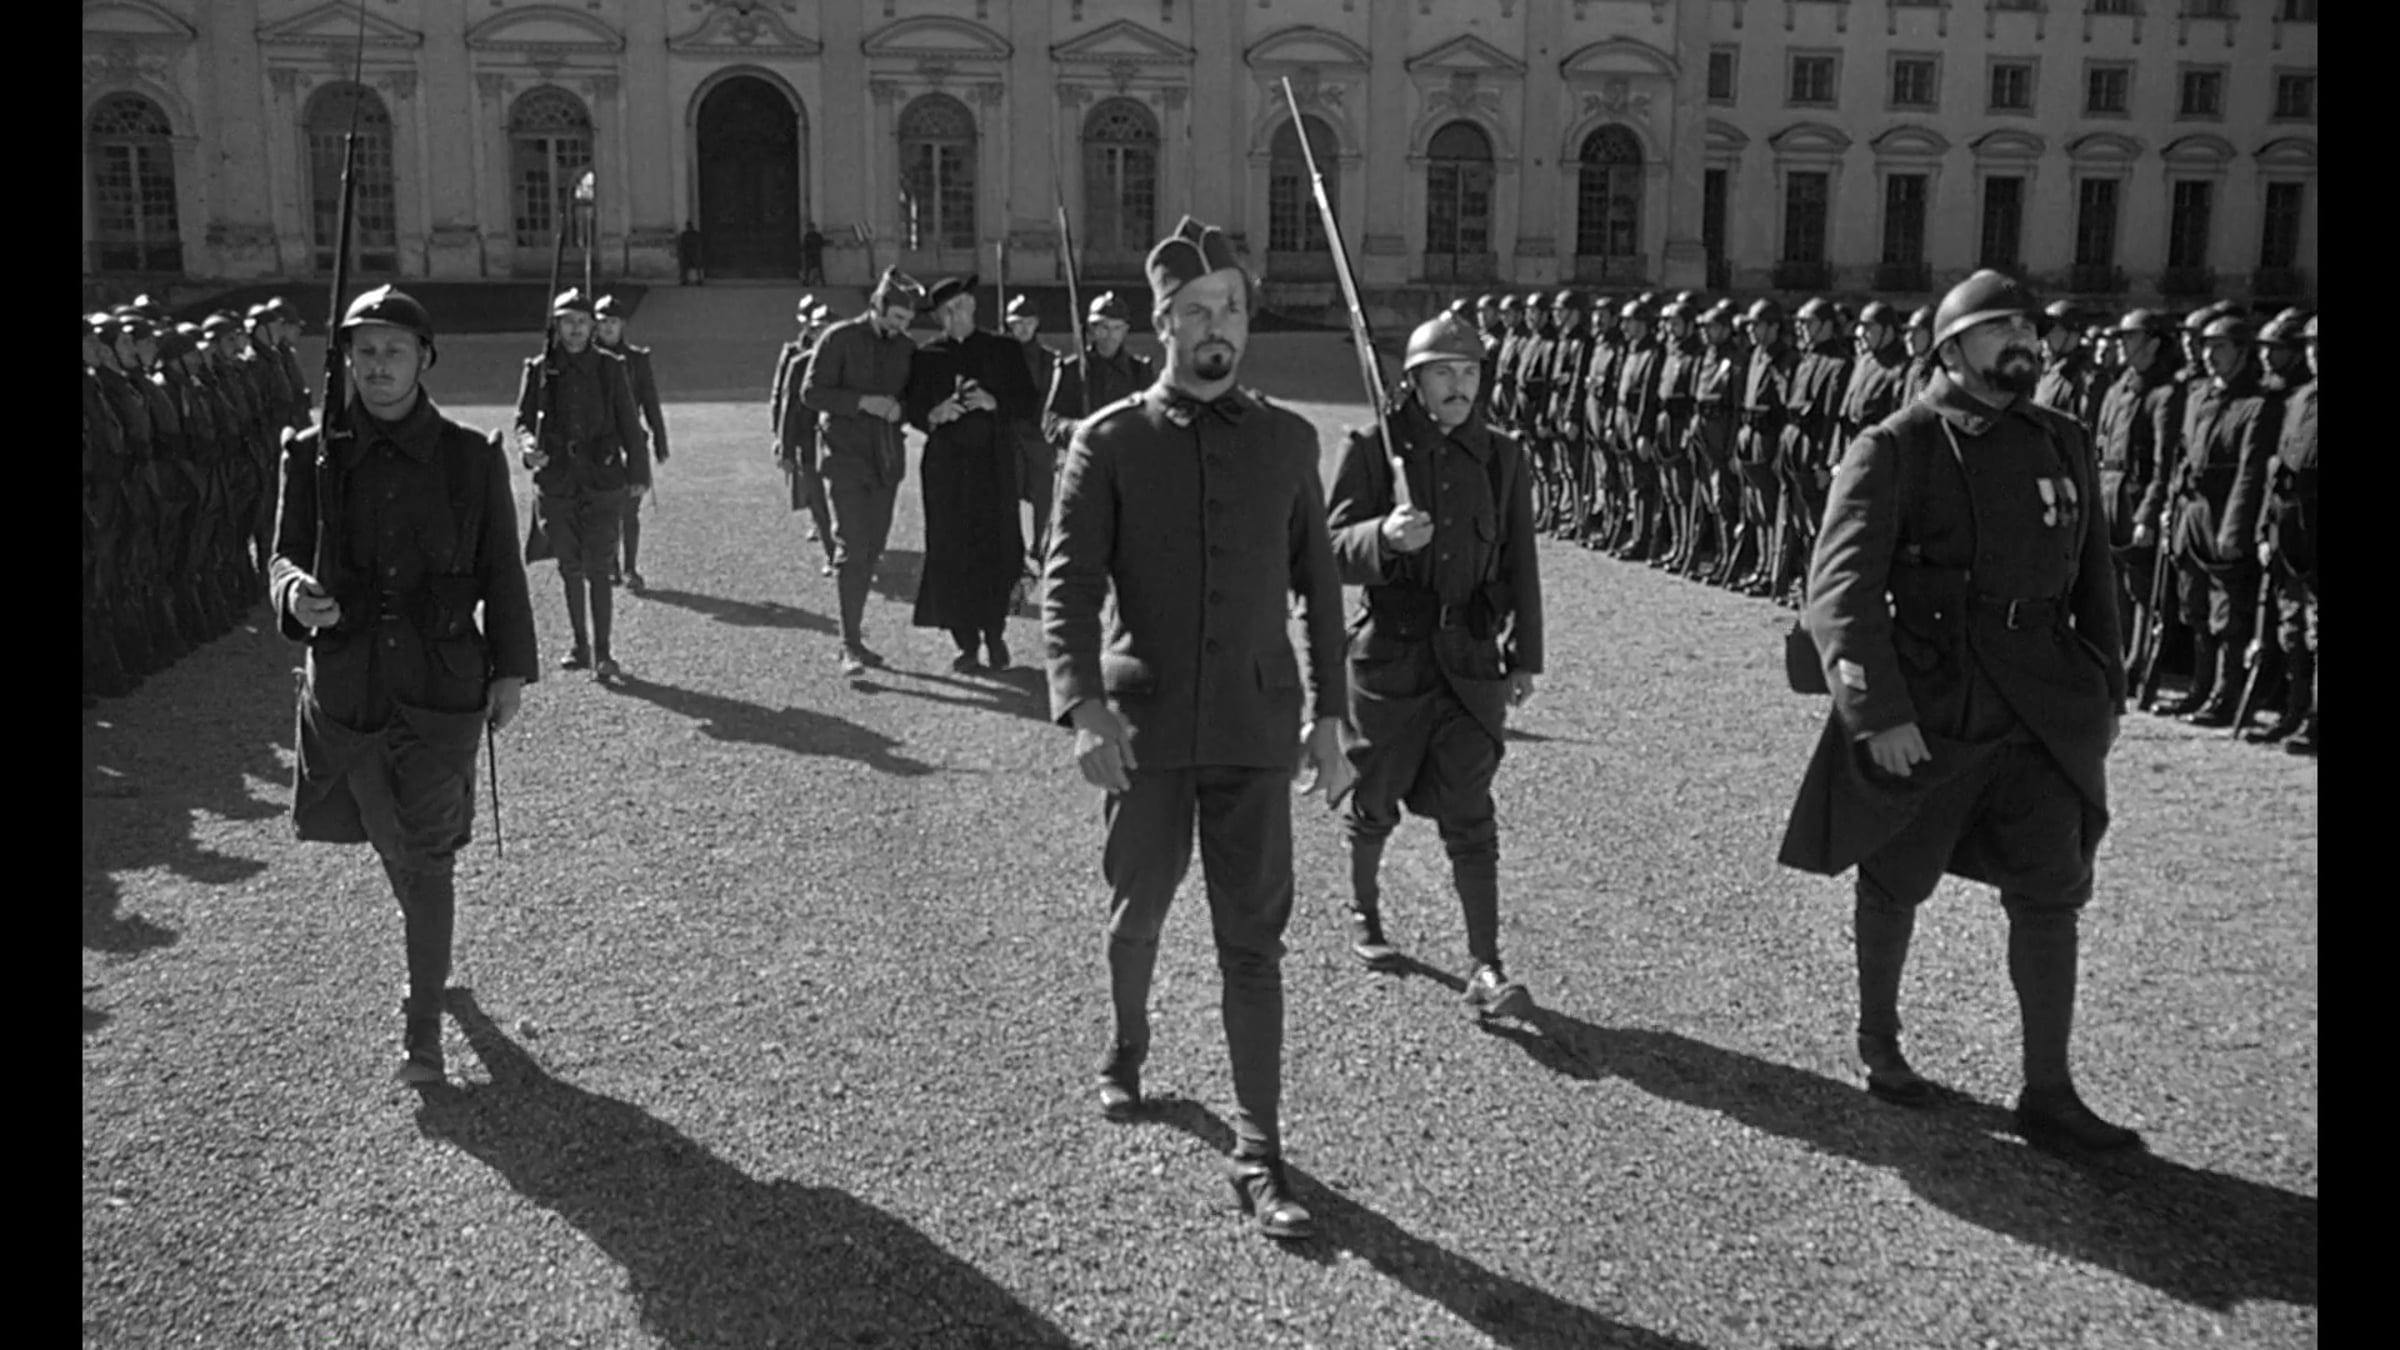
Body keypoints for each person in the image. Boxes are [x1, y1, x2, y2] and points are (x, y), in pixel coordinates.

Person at [1778, 269, 2140, 1155]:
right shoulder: (1898, 445)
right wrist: (1878, 714)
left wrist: (2105, 689)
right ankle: (1880, 1041)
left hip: (2045, 709)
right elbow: (1840, 594)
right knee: (1896, 877)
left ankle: (2049, 1092)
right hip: (1940, 707)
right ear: (1951, 348)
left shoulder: (2060, 438)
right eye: (2000, 327)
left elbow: (2096, 578)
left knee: (2050, 892)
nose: (2024, 341)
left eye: (2028, 328)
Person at [1042, 215, 1349, 1242]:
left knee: (1251, 942)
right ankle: (1128, 1044)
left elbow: (1320, 591)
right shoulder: (1109, 441)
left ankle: (1259, 1151)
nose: (1219, 326)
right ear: (1163, 320)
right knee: (1138, 911)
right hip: (1147, 725)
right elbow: (1069, 586)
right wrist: (1083, 706)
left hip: (1257, 728)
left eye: (1234, 309)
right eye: (1199, 310)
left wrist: (1333, 715)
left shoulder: (1289, 441)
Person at [268, 285, 539, 1085]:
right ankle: (432, 956)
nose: (377, 365)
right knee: (393, 843)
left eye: (393, 349)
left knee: (427, 853)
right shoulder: (310, 454)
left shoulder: (469, 455)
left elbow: (503, 571)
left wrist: (511, 671)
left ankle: (423, 1029)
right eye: (364, 350)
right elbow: (281, 554)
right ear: (346, 361)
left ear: (424, 358)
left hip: (440, 688)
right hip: (349, 690)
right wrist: (294, 593)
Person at [1325, 313, 1544, 1018]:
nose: (1459, 386)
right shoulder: (1372, 448)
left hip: (1471, 661)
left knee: (1471, 812)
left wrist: (1525, 657)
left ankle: (1486, 965)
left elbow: (1520, 559)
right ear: (1414, 382)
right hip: (1391, 659)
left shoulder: (1502, 455)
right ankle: (1364, 910)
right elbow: (1327, 549)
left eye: (1470, 372)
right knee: (1375, 796)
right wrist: (1383, 539)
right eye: (1444, 373)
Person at [2136, 314, 2276, 723]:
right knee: (2194, 607)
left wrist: (2233, 529)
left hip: (2223, 511)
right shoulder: (2199, 395)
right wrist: (2169, 509)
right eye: (2207, 347)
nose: (2210, 355)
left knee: (2226, 613)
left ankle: (2225, 695)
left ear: (2242, 352)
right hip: (2191, 510)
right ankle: (2199, 689)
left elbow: (2250, 473)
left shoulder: (2258, 405)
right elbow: (2181, 454)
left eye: (2220, 347)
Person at [903, 275, 1040, 672]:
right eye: (947, 312)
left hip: (993, 464)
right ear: (939, 318)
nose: (955, 316)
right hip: (947, 468)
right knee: (951, 549)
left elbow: (1028, 402)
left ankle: (995, 633)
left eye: (961, 307)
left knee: (997, 546)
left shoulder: (1003, 349)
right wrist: (934, 413)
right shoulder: (927, 356)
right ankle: (965, 643)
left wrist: (993, 402)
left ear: (973, 307)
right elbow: (912, 407)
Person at [513, 287, 650, 680]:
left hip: (602, 479)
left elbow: (629, 422)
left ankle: (604, 651)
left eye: (582, 322)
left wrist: (638, 474)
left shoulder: (610, 367)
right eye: (567, 322)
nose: (575, 329)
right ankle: (580, 644)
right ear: (556, 326)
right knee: (569, 565)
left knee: (599, 566)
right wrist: (528, 446)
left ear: (592, 327)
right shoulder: (540, 369)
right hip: (557, 481)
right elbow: (522, 420)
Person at [800, 269, 921, 677]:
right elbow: (811, 393)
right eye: (896, 318)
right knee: (851, 549)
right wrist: (863, 403)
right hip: (844, 459)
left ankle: (855, 638)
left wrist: (901, 409)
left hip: (886, 462)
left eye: (907, 321)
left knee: (872, 549)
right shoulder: (839, 339)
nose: (901, 327)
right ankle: (849, 642)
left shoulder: (906, 348)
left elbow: (916, 400)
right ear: (877, 306)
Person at [2249, 315, 2316, 753]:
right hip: (2291, 530)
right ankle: (2294, 711)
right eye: (2309, 346)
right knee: (2291, 626)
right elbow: (2275, 472)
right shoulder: (2298, 400)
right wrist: (2264, 529)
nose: (2314, 354)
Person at [593, 294, 670, 592]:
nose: (607, 327)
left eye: (613, 322)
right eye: (602, 322)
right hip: (599, 443)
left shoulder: (637, 359)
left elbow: (650, 400)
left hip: (631, 441)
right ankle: (610, 563)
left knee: (630, 509)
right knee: (605, 509)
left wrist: (660, 439)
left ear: (622, 324)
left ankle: (630, 567)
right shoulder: (588, 359)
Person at [770, 298, 836, 577]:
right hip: (808, 439)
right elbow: (784, 401)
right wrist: (783, 443)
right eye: (818, 328)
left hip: (840, 443)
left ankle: (847, 547)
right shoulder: (797, 360)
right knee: (817, 499)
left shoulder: (847, 360)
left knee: (843, 499)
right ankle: (831, 552)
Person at [1000, 293, 1059, 559]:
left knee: (1043, 496)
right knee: (1006, 493)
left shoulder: (1050, 360)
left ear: (1036, 323)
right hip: (1008, 434)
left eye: (1028, 322)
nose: (1022, 328)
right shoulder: (997, 357)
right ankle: (1011, 546)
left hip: (1038, 436)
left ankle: (1040, 546)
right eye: (1017, 323)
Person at [800, 220, 827, 285]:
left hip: (816, 253)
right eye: (810, 228)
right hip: (810, 254)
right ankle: (807, 281)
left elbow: (821, 243)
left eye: (811, 228)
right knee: (808, 268)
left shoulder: (817, 235)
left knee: (819, 268)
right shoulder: (807, 235)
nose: (810, 229)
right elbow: (805, 245)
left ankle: (822, 282)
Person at [678, 220, 703, 286]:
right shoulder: (684, 235)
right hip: (686, 253)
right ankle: (684, 280)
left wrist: (698, 253)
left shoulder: (696, 234)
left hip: (694, 253)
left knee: (697, 264)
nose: (689, 228)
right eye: (688, 227)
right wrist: (682, 253)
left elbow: (698, 244)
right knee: (683, 265)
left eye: (690, 226)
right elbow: (681, 245)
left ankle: (699, 280)